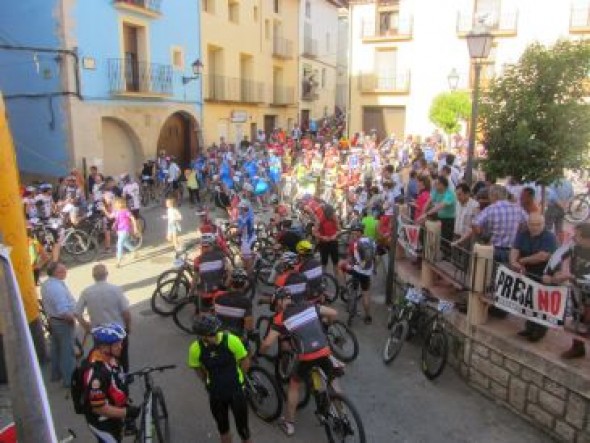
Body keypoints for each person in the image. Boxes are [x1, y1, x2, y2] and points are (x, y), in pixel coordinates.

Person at [259, 287, 338, 437]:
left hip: (306, 356)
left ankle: (289, 424)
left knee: (294, 385)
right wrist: (326, 325)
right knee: (333, 381)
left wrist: (261, 352)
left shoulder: (280, 317)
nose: (276, 308)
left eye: (276, 305)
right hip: (324, 350)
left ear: (281, 302)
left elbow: (268, 343)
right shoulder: (309, 305)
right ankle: (342, 413)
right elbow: (334, 313)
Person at [189, 315, 252, 443]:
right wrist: (207, 381)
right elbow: (197, 369)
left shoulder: (231, 340)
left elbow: (245, 361)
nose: (216, 335)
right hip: (216, 395)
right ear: (202, 336)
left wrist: (240, 377)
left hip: (236, 391)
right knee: (223, 429)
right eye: (212, 334)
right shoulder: (195, 349)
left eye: (216, 332)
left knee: (244, 430)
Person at [83, 323, 140, 442]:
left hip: (113, 416)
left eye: (120, 342)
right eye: (116, 344)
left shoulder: (109, 357)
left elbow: (114, 379)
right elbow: (98, 408)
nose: (121, 346)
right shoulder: (96, 375)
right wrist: (126, 412)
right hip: (101, 422)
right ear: (104, 347)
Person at [544, 223, 590, 359]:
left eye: (577, 235)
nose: (574, 237)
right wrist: (550, 273)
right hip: (578, 291)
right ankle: (577, 348)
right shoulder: (575, 248)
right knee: (577, 319)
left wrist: (571, 276)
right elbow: (560, 257)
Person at [509, 213, 557, 342]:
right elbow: (514, 249)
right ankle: (529, 328)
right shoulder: (523, 233)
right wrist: (515, 263)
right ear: (528, 224)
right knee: (529, 301)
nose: (535, 227)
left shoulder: (549, 237)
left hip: (544, 275)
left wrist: (522, 261)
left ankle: (539, 332)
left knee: (541, 305)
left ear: (543, 224)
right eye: (532, 224)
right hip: (527, 273)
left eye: (538, 224)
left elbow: (542, 256)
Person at [75, 264, 131, 372]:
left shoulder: (86, 292)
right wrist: (128, 327)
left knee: (103, 358)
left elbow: (77, 313)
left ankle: (106, 379)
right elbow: (126, 312)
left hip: (100, 333)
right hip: (118, 331)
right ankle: (125, 377)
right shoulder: (116, 290)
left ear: (93, 276)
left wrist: (86, 326)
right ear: (106, 274)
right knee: (122, 356)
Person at [41, 262, 77, 388]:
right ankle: (69, 379)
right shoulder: (56, 288)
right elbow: (63, 311)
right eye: (62, 270)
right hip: (62, 322)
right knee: (67, 352)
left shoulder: (47, 283)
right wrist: (72, 319)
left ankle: (56, 374)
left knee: (56, 348)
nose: (65, 271)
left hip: (54, 320)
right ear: (56, 273)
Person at [338, 222, 375, 324]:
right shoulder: (371, 240)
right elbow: (374, 256)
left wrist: (350, 263)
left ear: (356, 233)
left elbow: (350, 258)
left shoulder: (353, 243)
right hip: (367, 272)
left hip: (356, 270)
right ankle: (368, 317)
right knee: (365, 294)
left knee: (340, 265)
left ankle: (344, 287)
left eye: (354, 233)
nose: (353, 235)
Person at [418, 176, 456, 258]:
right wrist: (422, 214)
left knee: (445, 240)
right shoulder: (436, 191)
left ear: (443, 185)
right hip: (439, 217)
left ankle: (446, 258)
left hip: (449, 219)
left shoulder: (450, 194)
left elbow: (440, 205)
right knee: (425, 232)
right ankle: (427, 251)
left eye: (438, 184)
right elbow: (428, 202)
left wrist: (427, 214)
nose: (436, 185)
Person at [214, 268, 254, 342]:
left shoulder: (218, 297)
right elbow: (249, 326)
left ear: (230, 282)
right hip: (236, 338)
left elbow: (214, 315)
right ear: (245, 284)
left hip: (218, 335)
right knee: (248, 352)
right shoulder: (246, 302)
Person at [106, 198, 139, 267]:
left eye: (120, 203)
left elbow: (132, 218)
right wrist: (104, 210)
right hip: (119, 231)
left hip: (125, 230)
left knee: (119, 244)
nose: (119, 205)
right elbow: (110, 216)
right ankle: (134, 251)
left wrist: (135, 228)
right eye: (117, 204)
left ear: (123, 204)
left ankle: (118, 261)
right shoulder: (116, 212)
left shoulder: (125, 211)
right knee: (125, 243)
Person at [312, 203, 340, 275]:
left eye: (332, 213)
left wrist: (335, 235)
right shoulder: (320, 219)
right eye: (330, 214)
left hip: (333, 242)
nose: (332, 215)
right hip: (324, 243)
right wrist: (322, 237)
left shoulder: (334, 217)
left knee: (336, 263)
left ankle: (337, 281)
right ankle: (324, 279)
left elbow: (339, 230)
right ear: (326, 213)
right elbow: (314, 232)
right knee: (324, 263)